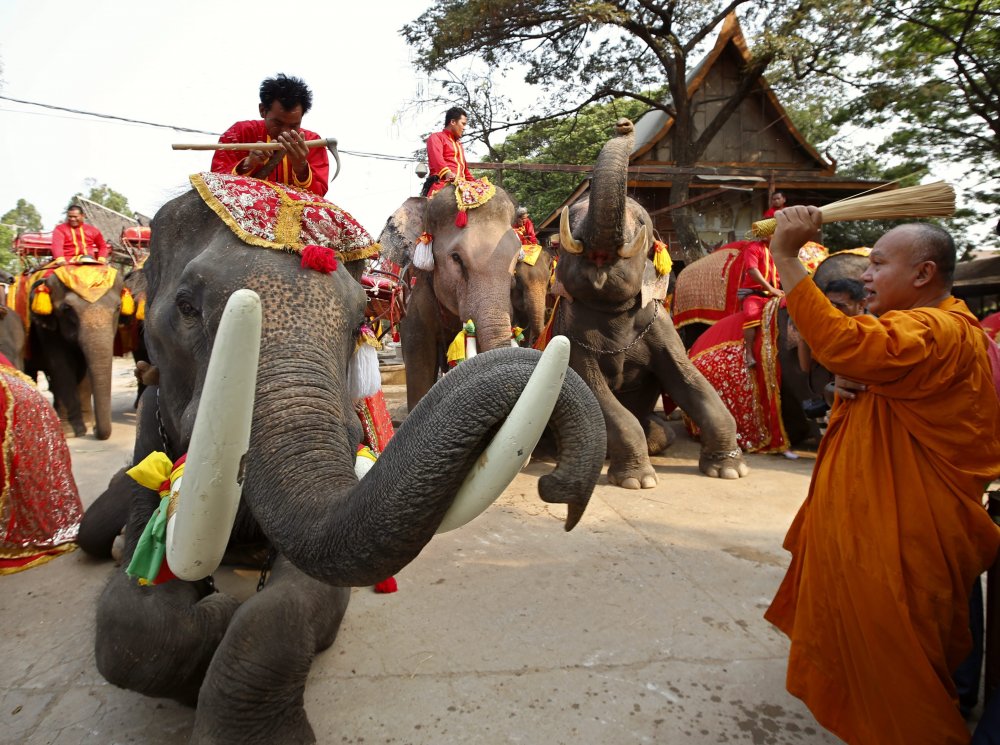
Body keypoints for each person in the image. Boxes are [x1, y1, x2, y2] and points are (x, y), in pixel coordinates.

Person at [764, 207, 1000, 745]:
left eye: (877, 264)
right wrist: (839, 387)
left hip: (908, 527)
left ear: (923, 274)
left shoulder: (941, 329)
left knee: (901, 652)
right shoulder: (907, 330)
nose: (866, 275)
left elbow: (846, 345)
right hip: (875, 517)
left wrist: (784, 256)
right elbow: (865, 364)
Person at [211, 73, 329, 198]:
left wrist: (301, 168)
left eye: (294, 125)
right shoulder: (239, 133)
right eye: (278, 123)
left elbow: (319, 196)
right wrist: (248, 164)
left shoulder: (313, 142)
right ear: (262, 110)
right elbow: (215, 184)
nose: (286, 132)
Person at [738, 239, 783, 368]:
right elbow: (752, 270)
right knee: (751, 314)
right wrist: (770, 288)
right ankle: (749, 352)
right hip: (754, 293)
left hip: (776, 292)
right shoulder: (753, 247)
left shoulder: (779, 248)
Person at [423, 107, 472, 197]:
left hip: (462, 186)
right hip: (442, 184)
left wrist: (475, 182)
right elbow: (437, 160)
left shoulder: (459, 144)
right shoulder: (436, 137)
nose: (464, 128)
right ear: (453, 122)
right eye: (463, 124)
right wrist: (448, 173)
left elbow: (465, 170)